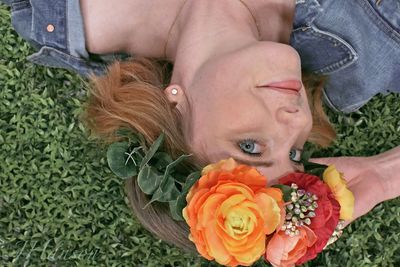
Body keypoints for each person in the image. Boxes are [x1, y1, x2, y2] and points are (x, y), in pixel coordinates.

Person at [2, 0, 399, 257]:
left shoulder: (57, 15)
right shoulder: (369, 54)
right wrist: (383, 176)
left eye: (250, 145)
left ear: (174, 106)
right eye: (295, 152)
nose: (295, 122)